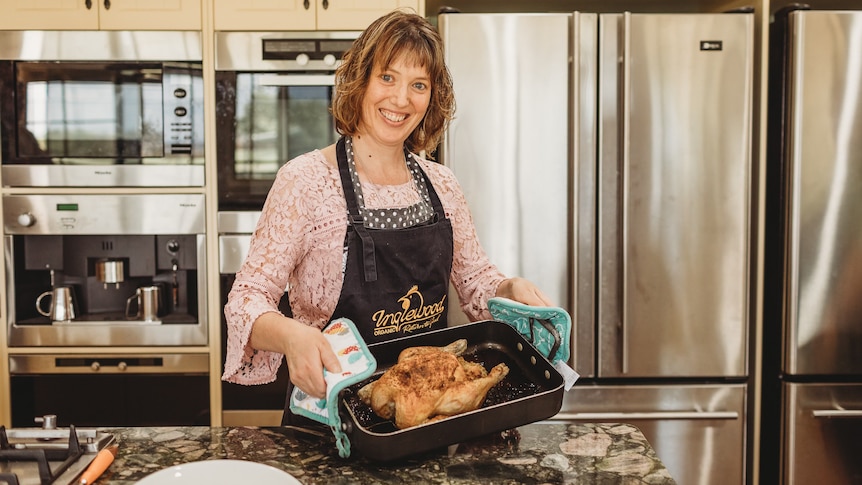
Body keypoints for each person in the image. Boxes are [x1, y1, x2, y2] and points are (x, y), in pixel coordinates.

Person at [221, 10, 552, 419]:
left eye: (418, 85)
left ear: (432, 97)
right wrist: (290, 335)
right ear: (361, 80)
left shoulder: (441, 184)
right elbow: (245, 299)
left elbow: (474, 282)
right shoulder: (306, 182)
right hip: (331, 418)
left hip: (426, 414)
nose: (401, 99)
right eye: (387, 77)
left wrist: (509, 288)